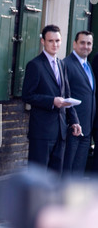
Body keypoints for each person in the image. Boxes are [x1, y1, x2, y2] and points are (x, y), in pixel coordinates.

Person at [22, 25, 82, 173]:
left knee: (55, 178)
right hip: (41, 132)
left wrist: (74, 121)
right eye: (51, 41)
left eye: (57, 41)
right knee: (39, 178)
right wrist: (51, 101)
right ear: (43, 41)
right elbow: (27, 95)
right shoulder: (34, 65)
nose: (55, 44)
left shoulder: (62, 64)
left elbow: (67, 95)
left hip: (61, 132)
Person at [63, 31, 95, 174]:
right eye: (82, 42)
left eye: (89, 43)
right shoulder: (66, 65)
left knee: (77, 173)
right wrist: (72, 122)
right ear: (74, 44)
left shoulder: (88, 66)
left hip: (86, 130)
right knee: (67, 172)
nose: (85, 46)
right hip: (73, 130)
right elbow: (65, 95)